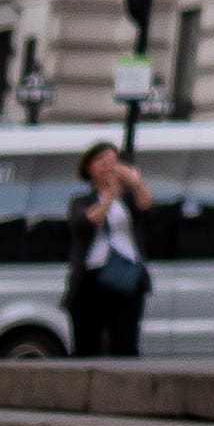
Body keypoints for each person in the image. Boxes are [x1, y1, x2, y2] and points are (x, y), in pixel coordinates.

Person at [64, 139, 155, 360]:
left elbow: (148, 208)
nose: (108, 166)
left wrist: (136, 183)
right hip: (91, 278)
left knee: (125, 341)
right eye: (101, 160)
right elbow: (88, 220)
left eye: (113, 160)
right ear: (88, 167)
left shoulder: (129, 200)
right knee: (88, 342)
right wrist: (109, 196)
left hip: (126, 276)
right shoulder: (82, 200)